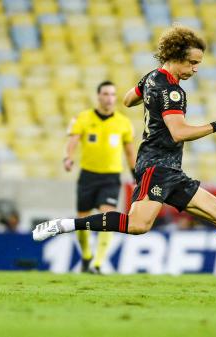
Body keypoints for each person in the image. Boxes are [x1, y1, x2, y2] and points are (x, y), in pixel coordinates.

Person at [33, 25, 216, 276]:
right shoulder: (172, 91)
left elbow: (127, 100)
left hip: (170, 169)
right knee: (138, 225)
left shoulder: (152, 77)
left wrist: (149, 97)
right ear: (175, 57)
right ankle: (65, 224)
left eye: (198, 64)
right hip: (156, 167)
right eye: (192, 63)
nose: (195, 70)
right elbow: (179, 132)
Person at [64, 81, 136, 273]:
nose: (109, 98)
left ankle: (97, 263)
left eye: (113, 94)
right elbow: (73, 141)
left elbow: (130, 152)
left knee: (107, 216)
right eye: (105, 94)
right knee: (82, 219)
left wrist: (135, 173)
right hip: (88, 176)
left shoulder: (123, 123)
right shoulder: (83, 118)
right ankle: (87, 255)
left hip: (111, 177)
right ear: (98, 96)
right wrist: (68, 158)